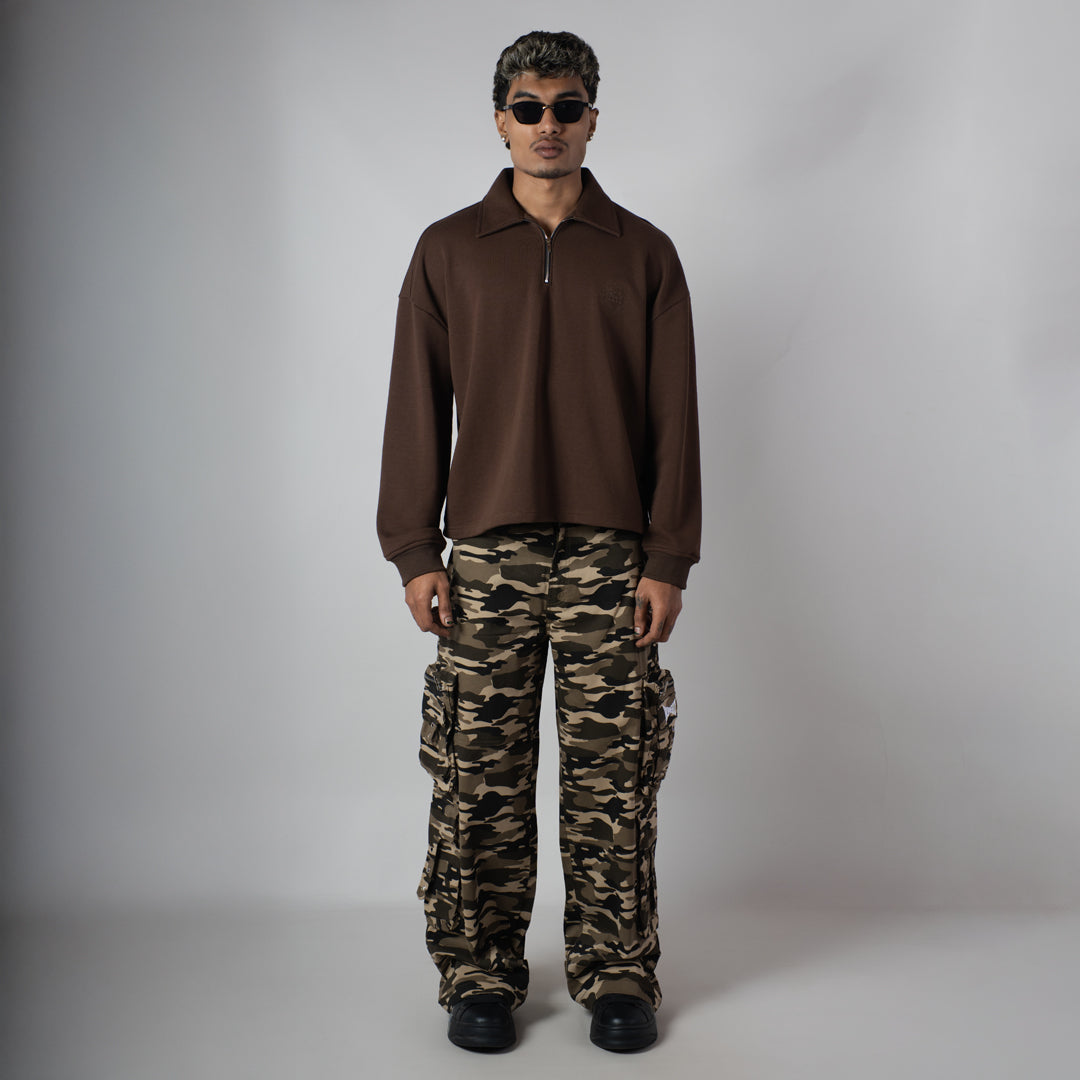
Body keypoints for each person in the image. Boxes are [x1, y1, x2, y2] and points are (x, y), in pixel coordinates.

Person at [376, 29, 701, 1053]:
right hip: (488, 553)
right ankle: (479, 975)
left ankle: (618, 974)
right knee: (478, 771)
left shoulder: (643, 253)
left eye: (566, 107)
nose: (547, 125)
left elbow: (675, 417)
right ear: (501, 120)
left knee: (614, 772)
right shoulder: (448, 250)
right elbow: (415, 405)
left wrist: (667, 558)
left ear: (593, 118)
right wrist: (414, 550)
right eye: (529, 108)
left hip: (612, 556)